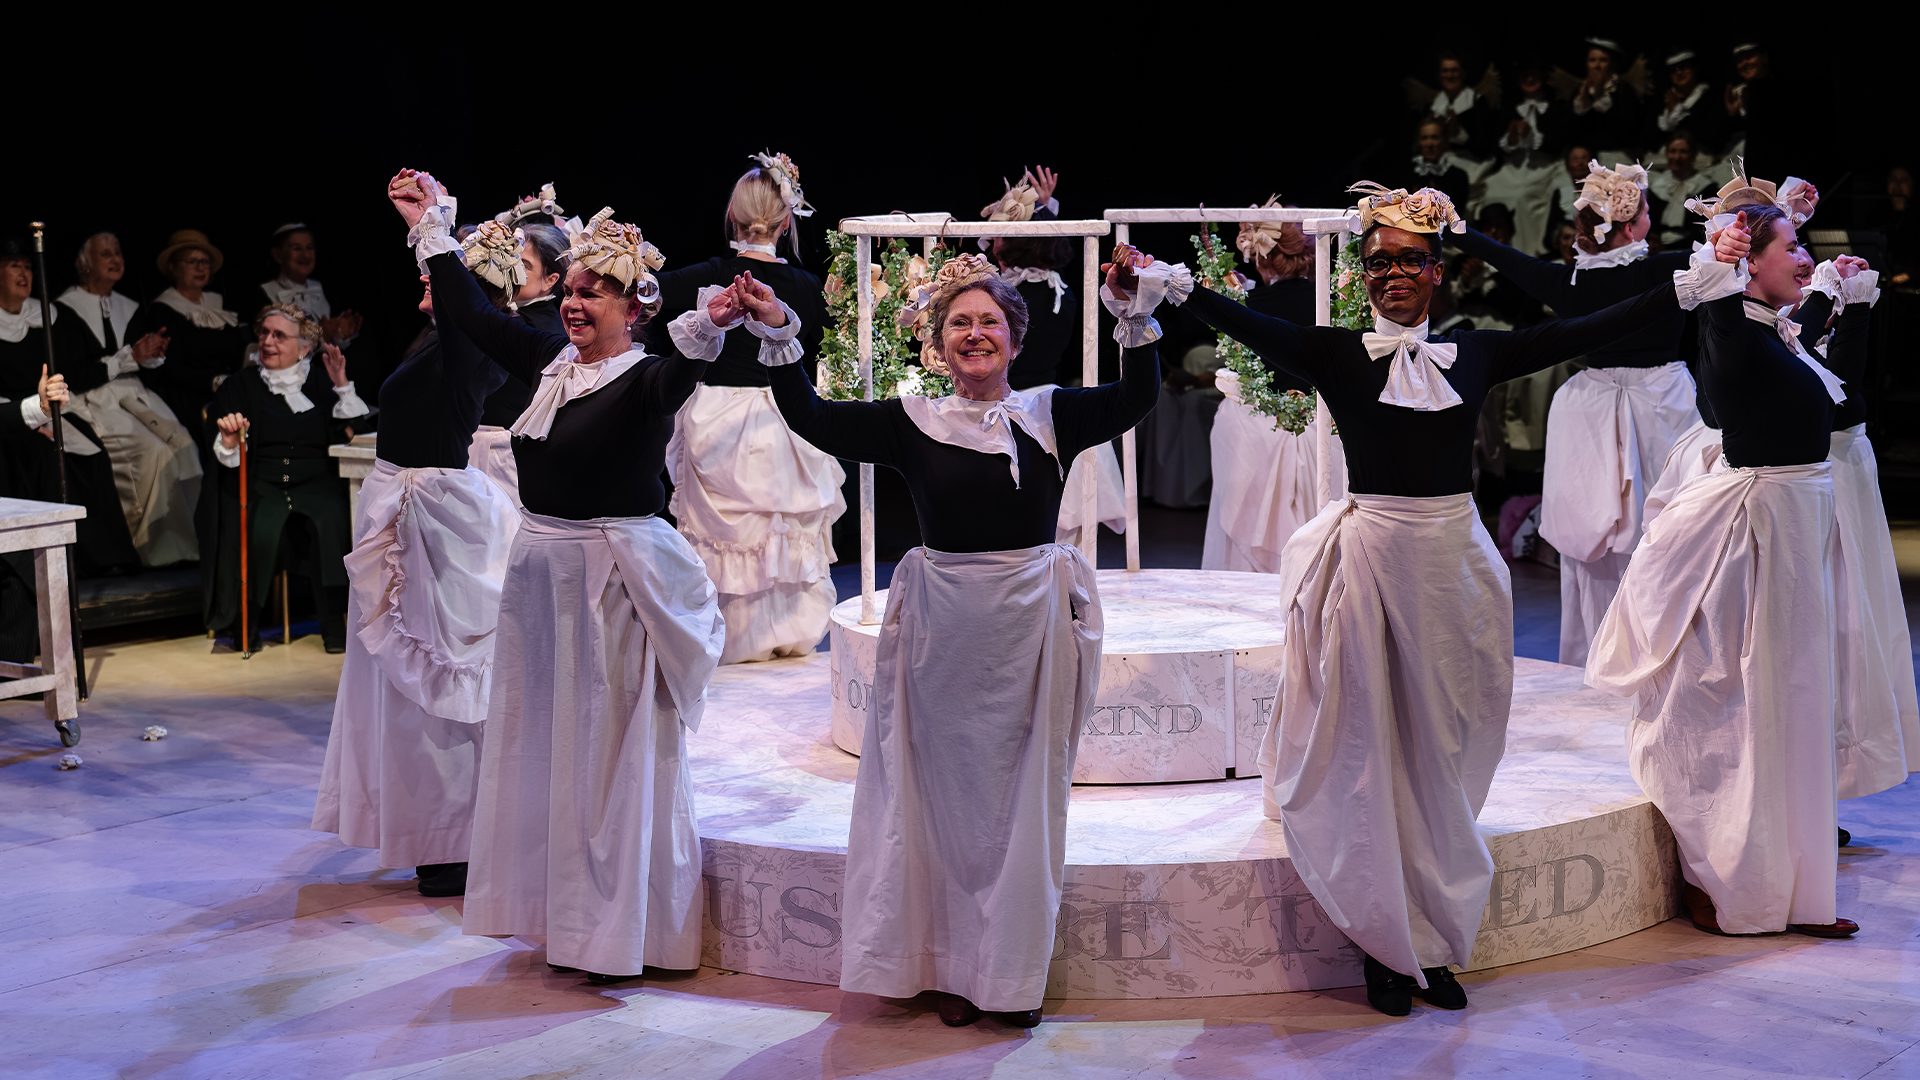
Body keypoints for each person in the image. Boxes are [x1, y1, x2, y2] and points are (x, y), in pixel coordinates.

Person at [1126, 183, 1705, 1017]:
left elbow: (1585, 327)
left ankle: (1428, 933)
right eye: (1378, 264)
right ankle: (1383, 943)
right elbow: (1241, 321)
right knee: (1370, 755)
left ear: (1437, 271)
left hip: (1453, 570)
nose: (1393, 274)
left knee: (1446, 751)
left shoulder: (1474, 355)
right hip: (1371, 566)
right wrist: (1166, 282)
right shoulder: (1335, 355)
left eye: (1409, 261)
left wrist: (1688, 286)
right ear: (1362, 276)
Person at [764, 249, 1162, 1028]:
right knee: (945, 804)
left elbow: (1138, 395)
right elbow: (812, 418)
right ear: (937, 342)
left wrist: (1135, 314)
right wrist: (779, 331)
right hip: (943, 635)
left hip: (1030, 633)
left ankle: (1009, 976)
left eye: (989, 322)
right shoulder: (909, 420)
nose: (974, 333)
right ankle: (951, 966)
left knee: (1023, 803)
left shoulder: (1049, 413)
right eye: (959, 323)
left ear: (1014, 338)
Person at [391, 169, 727, 984]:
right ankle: (559, 918)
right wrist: (432, 226)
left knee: (606, 761)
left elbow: (683, 371)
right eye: (570, 290)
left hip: (608, 587)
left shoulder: (646, 377)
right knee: (545, 753)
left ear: (633, 307)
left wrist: (711, 322)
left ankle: (618, 932)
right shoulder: (550, 362)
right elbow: (472, 312)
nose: (574, 304)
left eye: (594, 294)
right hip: (542, 581)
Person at [1587, 199, 1861, 940]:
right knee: (1741, 703)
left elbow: (1818, 368)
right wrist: (1718, 257)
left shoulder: (1777, 333)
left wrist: (1833, 293)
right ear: (1750, 263)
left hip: (1797, 531)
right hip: (1758, 536)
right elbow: (1724, 312)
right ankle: (1723, 876)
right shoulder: (1731, 328)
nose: (1805, 258)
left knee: (1795, 705)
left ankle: (1793, 889)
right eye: (1792, 247)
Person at [312, 217, 520, 899]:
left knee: (435, 680)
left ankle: (453, 839)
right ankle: (427, 831)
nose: (425, 280)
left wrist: (434, 228)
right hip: (407, 508)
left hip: (435, 520)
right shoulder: (438, 339)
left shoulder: (473, 343)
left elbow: (464, 311)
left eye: (439, 275)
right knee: (399, 687)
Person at [1447, 163, 1700, 665]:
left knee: (1597, 544)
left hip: (1590, 409)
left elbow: (1506, 258)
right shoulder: (1667, 268)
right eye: (1646, 212)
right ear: (1632, 227)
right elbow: (1737, 254)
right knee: (1667, 531)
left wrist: (1457, 229)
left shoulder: (1567, 282)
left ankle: (1598, 653)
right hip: (1660, 404)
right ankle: (1664, 654)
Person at [649, 151, 843, 664]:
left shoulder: (711, 274)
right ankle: (791, 632)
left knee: (732, 530)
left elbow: (644, 295)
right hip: (788, 417)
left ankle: (726, 635)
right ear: (786, 222)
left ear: (732, 215)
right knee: (784, 523)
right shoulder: (809, 287)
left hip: (718, 417)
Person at [205, 303, 367, 651]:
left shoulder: (321, 382)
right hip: (263, 484)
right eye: (264, 333)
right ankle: (246, 626)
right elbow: (222, 439)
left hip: (317, 483)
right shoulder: (240, 385)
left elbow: (354, 434)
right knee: (258, 530)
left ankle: (334, 627)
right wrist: (231, 440)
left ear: (304, 348)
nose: (267, 341)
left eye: (279, 335)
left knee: (333, 522)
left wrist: (342, 386)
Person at [53, 231, 202, 567]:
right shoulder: (63, 309)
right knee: (151, 453)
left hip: (134, 394)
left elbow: (140, 363)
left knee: (184, 447)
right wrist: (129, 357)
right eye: (105, 254)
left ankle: (189, 544)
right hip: (93, 400)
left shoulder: (130, 305)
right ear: (85, 264)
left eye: (118, 252)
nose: (115, 259)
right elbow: (73, 372)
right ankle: (149, 549)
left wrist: (151, 354)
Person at [0, 236, 138, 574]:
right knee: (47, 457)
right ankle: (57, 563)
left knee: (92, 451)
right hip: (10, 417)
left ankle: (105, 557)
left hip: (50, 407)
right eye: (15, 267)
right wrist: (29, 416)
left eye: (28, 267)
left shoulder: (48, 315)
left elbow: (74, 368)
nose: (24, 274)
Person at [1202, 207, 1327, 573]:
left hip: (1254, 433)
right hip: (1320, 432)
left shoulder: (1247, 308)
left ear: (1260, 256)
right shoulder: (1327, 302)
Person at [137, 230, 251, 442]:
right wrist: (213, 381)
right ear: (173, 267)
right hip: (190, 397)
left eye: (204, 261)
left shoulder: (219, 302)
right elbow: (171, 368)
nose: (200, 268)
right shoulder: (163, 310)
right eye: (192, 261)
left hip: (231, 387)